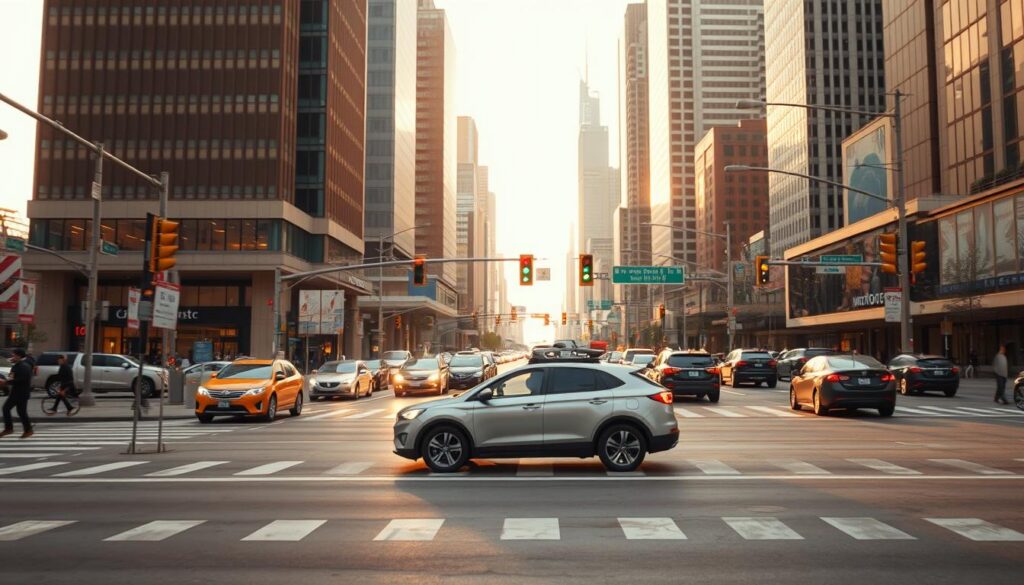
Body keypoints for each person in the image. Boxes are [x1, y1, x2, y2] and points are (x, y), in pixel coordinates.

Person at [1, 349, 34, 438]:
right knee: (21, 412)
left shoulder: (24, 366)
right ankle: (28, 430)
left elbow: (22, 380)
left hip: (19, 393)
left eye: (14, 355)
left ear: (19, 356)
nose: (12, 357)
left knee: (6, 408)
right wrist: (6, 381)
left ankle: (9, 429)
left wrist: (6, 382)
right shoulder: (17, 365)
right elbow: (12, 377)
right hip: (19, 393)